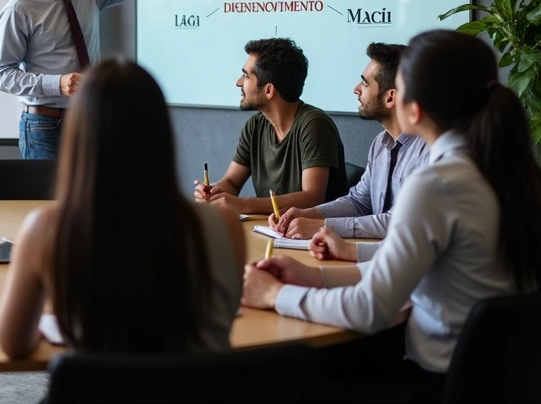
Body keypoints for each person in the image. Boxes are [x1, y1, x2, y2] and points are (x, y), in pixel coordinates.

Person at [242, 30, 541, 401]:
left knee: (284, 375)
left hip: (434, 380)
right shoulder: (503, 167)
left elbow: (369, 308)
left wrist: (276, 295)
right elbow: (417, 264)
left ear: (411, 107)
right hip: (494, 378)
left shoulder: (437, 183)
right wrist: (313, 276)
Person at [0, 57, 244, 358]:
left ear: (78, 137)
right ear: (161, 133)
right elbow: (219, 323)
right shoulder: (225, 224)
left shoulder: (45, 229)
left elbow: (14, 344)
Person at [0, 0, 205, 160]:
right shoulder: (19, 10)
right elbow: (2, 75)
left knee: (92, 196)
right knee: (47, 199)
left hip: (89, 119)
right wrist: (57, 83)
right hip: (45, 126)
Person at [271, 43, 428, 243]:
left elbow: (400, 222)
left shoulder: (428, 151)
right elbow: (358, 202)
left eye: (365, 83)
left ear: (390, 97)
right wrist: (307, 214)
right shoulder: (380, 143)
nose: (356, 89)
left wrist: (322, 226)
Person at [194, 38, 346, 213]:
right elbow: (231, 182)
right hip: (273, 231)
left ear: (268, 90)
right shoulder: (255, 125)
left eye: (246, 76)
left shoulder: (314, 125)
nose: (239, 82)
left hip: (314, 236)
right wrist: (213, 194)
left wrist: (243, 204)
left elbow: (312, 198)